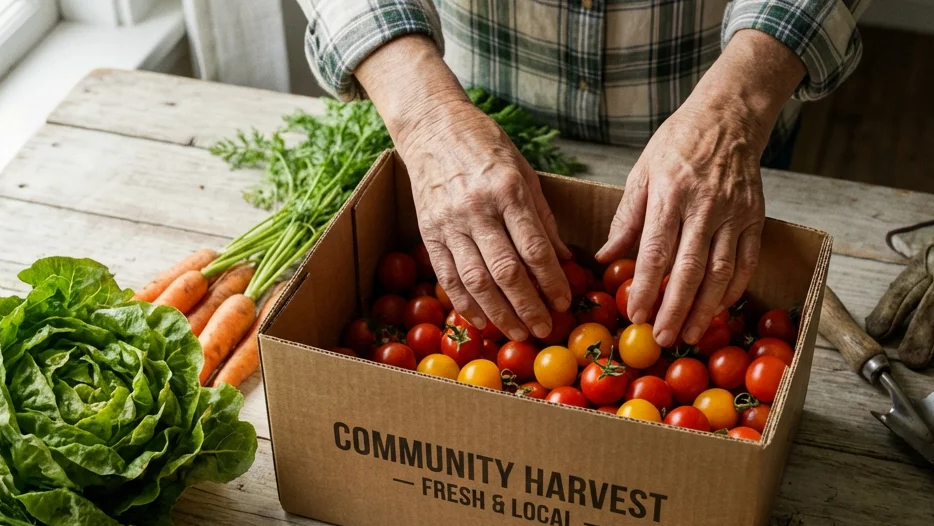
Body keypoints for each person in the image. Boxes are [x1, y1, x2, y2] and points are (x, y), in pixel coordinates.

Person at [296, 1, 867, 347]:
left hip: (732, 105)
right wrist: (425, 115)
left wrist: (735, 107)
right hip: (476, 93)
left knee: (712, 264)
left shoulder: (735, 115)